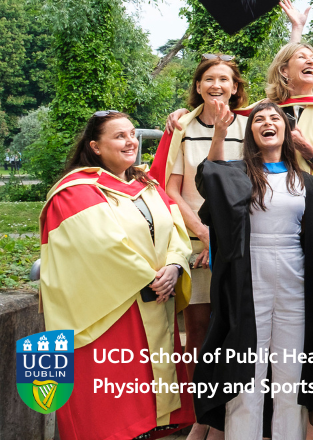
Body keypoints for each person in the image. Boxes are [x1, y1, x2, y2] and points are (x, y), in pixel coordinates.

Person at [41, 110, 194, 440]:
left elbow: (175, 229)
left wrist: (173, 265)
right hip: (112, 310)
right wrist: (151, 277)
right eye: (119, 136)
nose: (130, 141)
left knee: (146, 407)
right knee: (111, 411)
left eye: (132, 134)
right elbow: (100, 245)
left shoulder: (145, 184)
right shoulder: (74, 190)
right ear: (95, 146)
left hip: (152, 302)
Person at [192, 100, 313, 439]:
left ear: (286, 129)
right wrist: (219, 135)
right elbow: (208, 179)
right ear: (251, 133)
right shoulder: (237, 174)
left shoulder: (305, 182)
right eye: (258, 119)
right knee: (245, 372)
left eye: (274, 118)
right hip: (249, 278)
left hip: (295, 276)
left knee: (290, 374)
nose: (267, 123)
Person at [147, 55, 248, 440]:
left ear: (236, 87)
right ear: (199, 85)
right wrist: (205, 233)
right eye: (209, 79)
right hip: (194, 240)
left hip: (237, 239)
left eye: (224, 79)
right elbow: (171, 188)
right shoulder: (182, 126)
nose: (216, 85)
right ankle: (199, 416)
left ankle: (222, 420)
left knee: (232, 330)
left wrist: (222, 235)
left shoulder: (249, 123)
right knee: (199, 332)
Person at [264, 41, 313, 175]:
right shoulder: (266, 110)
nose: (310, 61)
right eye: (301, 57)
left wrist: (306, 149)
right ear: (284, 70)